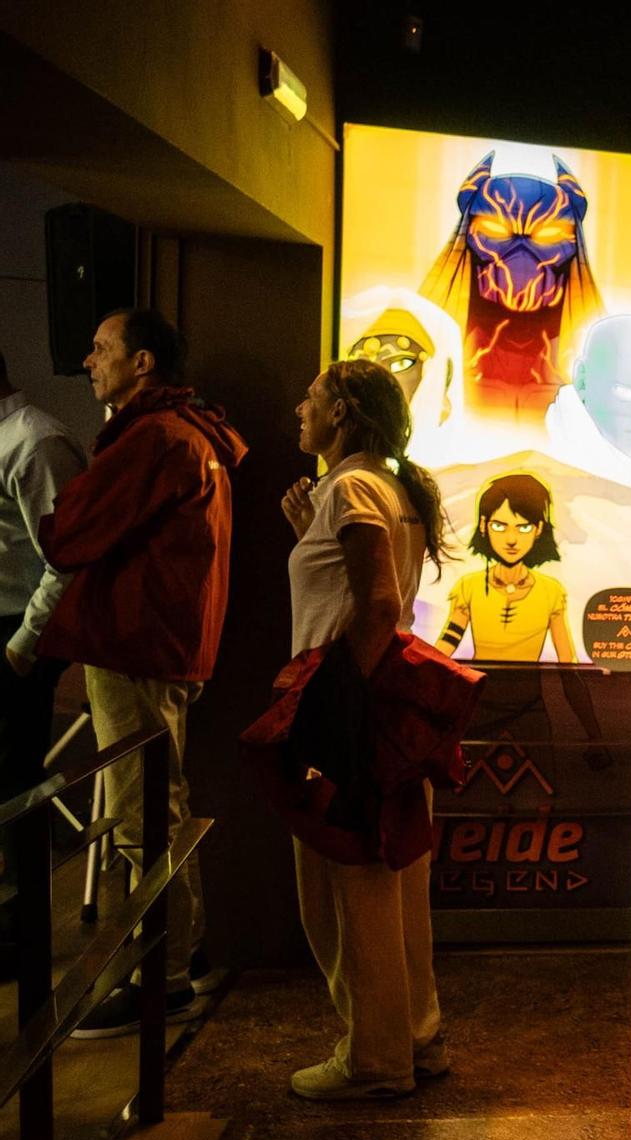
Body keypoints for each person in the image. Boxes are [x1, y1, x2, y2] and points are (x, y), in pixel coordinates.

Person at [46, 311, 245, 1037]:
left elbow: (68, 532)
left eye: (101, 349)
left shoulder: (154, 437)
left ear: (143, 363)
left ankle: (159, 978)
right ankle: (182, 961)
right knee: (163, 807)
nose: (88, 359)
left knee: (141, 820)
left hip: (134, 646)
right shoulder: (195, 436)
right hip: (167, 647)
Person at [279, 358, 454, 1099]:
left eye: (313, 397)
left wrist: (330, 703)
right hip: (388, 707)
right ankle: (416, 1037)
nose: (299, 406)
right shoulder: (380, 486)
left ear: (344, 413)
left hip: (347, 704)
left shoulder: (351, 486)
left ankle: (375, 1058)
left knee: (347, 885)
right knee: (394, 876)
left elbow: (378, 604)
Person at [0, 350, 88, 976]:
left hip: (13, 635)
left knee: (14, 787)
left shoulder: (33, 440)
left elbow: (68, 557)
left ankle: (22, 942)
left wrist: (23, 645)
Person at [435, 472, 575, 662]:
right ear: (484, 525)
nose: (511, 540)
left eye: (523, 528)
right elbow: (447, 644)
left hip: (530, 688)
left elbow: (567, 660)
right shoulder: (468, 587)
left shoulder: (552, 592)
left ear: (539, 529)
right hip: (480, 685)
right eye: (499, 527)